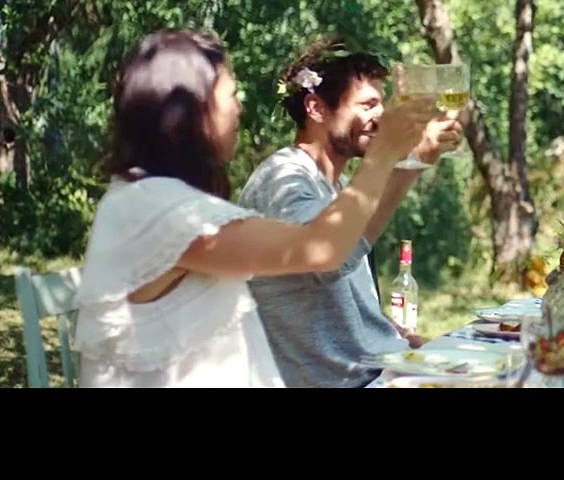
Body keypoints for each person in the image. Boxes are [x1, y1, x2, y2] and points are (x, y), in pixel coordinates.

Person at [72, 30, 435, 388]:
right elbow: (322, 250)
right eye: (231, 95)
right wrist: (385, 153)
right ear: (192, 109)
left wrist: (404, 159)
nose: (239, 108)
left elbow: (337, 242)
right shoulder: (156, 210)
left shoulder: (153, 199)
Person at [237, 38, 461, 388]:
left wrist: (388, 331)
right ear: (316, 108)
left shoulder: (335, 184)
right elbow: (330, 258)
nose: (381, 116)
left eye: (382, 103)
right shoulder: (283, 180)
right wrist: (390, 155)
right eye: (368, 105)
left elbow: (348, 256)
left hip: (379, 368)